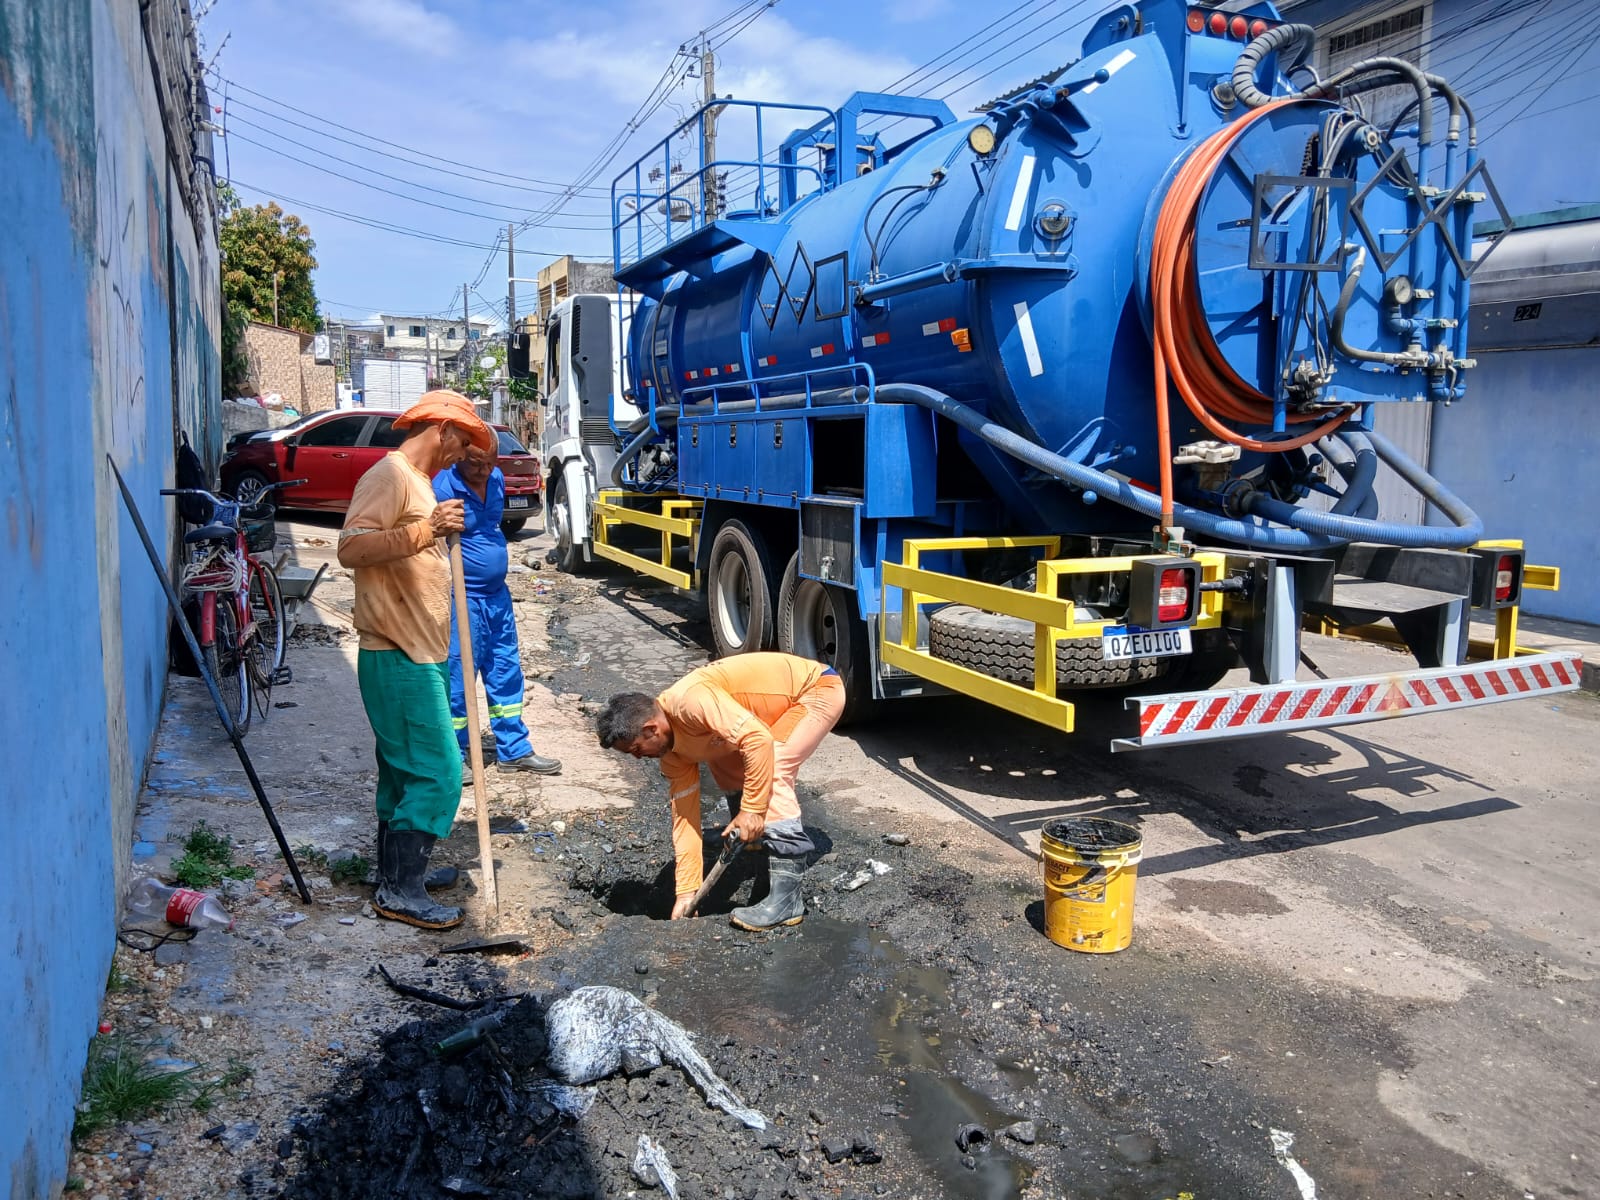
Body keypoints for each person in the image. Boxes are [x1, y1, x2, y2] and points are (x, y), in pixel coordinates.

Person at [338, 390, 494, 931]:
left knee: (403, 773)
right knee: (440, 772)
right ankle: (400, 892)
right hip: (397, 653)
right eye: (464, 441)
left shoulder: (421, 482)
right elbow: (351, 548)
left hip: (416, 652)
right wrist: (428, 529)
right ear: (442, 429)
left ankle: (397, 875)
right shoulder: (390, 476)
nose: (465, 453)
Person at [594, 652, 846, 930]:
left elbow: (756, 738)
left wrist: (753, 810)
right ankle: (755, 839)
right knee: (722, 759)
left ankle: (787, 903)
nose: (638, 758)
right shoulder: (672, 756)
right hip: (761, 715)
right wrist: (686, 892)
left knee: (772, 763)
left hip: (815, 689)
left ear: (652, 729)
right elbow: (685, 819)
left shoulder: (690, 702)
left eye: (636, 749)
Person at [432, 443, 561, 778]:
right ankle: (456, 755)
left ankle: (513, 750)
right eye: (476, 464)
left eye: (490, 463)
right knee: (459, 677)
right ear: (460, 457)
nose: (484, 471)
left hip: (497, 597)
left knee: (505, 670)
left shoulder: (496, 478)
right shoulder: (443, 487)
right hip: (463, 597)